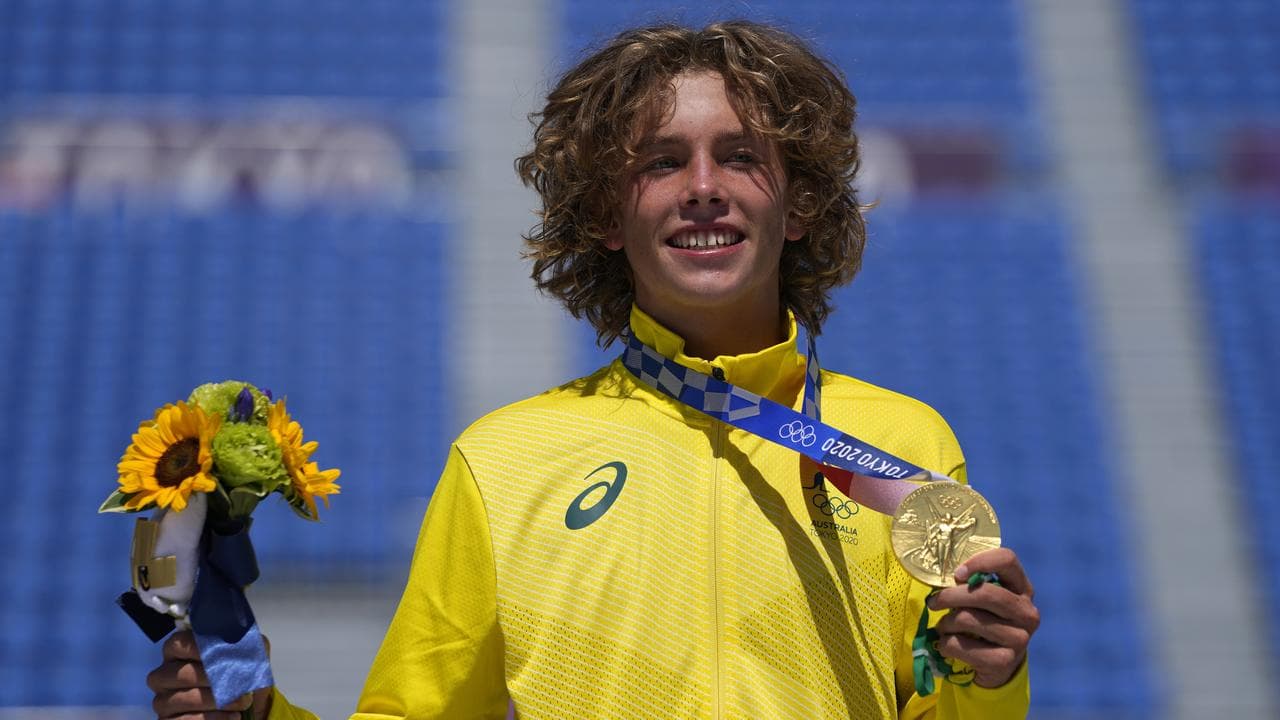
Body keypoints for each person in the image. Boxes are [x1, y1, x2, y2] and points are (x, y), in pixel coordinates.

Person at [147, 20, 1039, 719]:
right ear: (607, 215)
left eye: (739, 156)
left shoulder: (900, 442)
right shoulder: (503, 463)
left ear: (798, 203)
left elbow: (950, 703)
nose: (702, 185)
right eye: (661, 162)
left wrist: (988, 677)